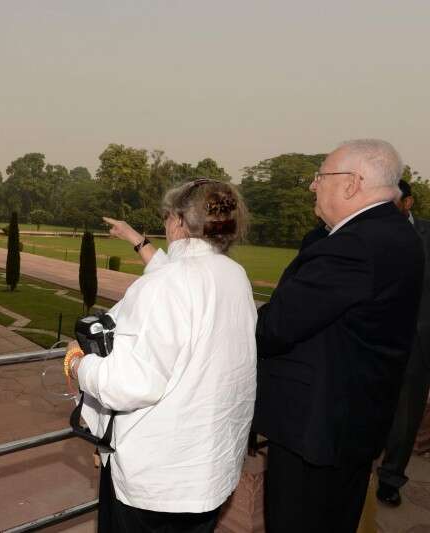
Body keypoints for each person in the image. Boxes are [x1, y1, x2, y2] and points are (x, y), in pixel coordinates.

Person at [66, 178, 257, 532]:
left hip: (158, 483)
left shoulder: (166, 286)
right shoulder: (234, 275)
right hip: (208, 472)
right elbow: (179, 281)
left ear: (181, 221)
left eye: (168, 215)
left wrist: (78, 364)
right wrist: (136, 240)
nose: (166, 222)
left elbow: (128, 385)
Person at [253, 139, 424, 533]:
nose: (313, 186)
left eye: (321, 177)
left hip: (317, 433)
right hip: (351, 427)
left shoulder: (355, 245)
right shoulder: (395, 232)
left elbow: (275, 327)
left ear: (351, 183)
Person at [376, 179, 430, 505]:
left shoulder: (428, 234)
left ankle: (391, 479)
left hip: (417, 343)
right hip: (371, 337)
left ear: (407, 203)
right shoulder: (364, 232)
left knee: (406, 418)